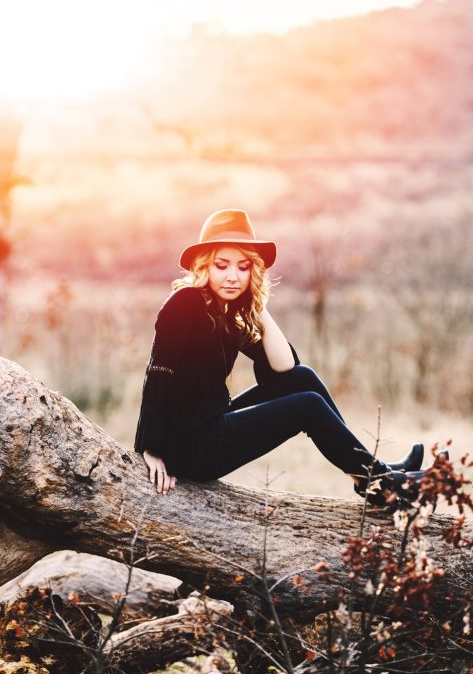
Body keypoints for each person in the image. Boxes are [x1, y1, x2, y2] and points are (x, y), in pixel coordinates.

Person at [134, 209, 433, 508]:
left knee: (304, 379)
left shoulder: (226, 314)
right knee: (308, 407)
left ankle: (370, 472)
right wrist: (151, 447)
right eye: (221, 266)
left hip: (212, 426)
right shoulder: (185, 302)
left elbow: (284, 367)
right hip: (190, 447)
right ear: (204, 266)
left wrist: (256, 302)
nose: (232, 276)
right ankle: (380, 482)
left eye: (243, 267)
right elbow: (159, 373)